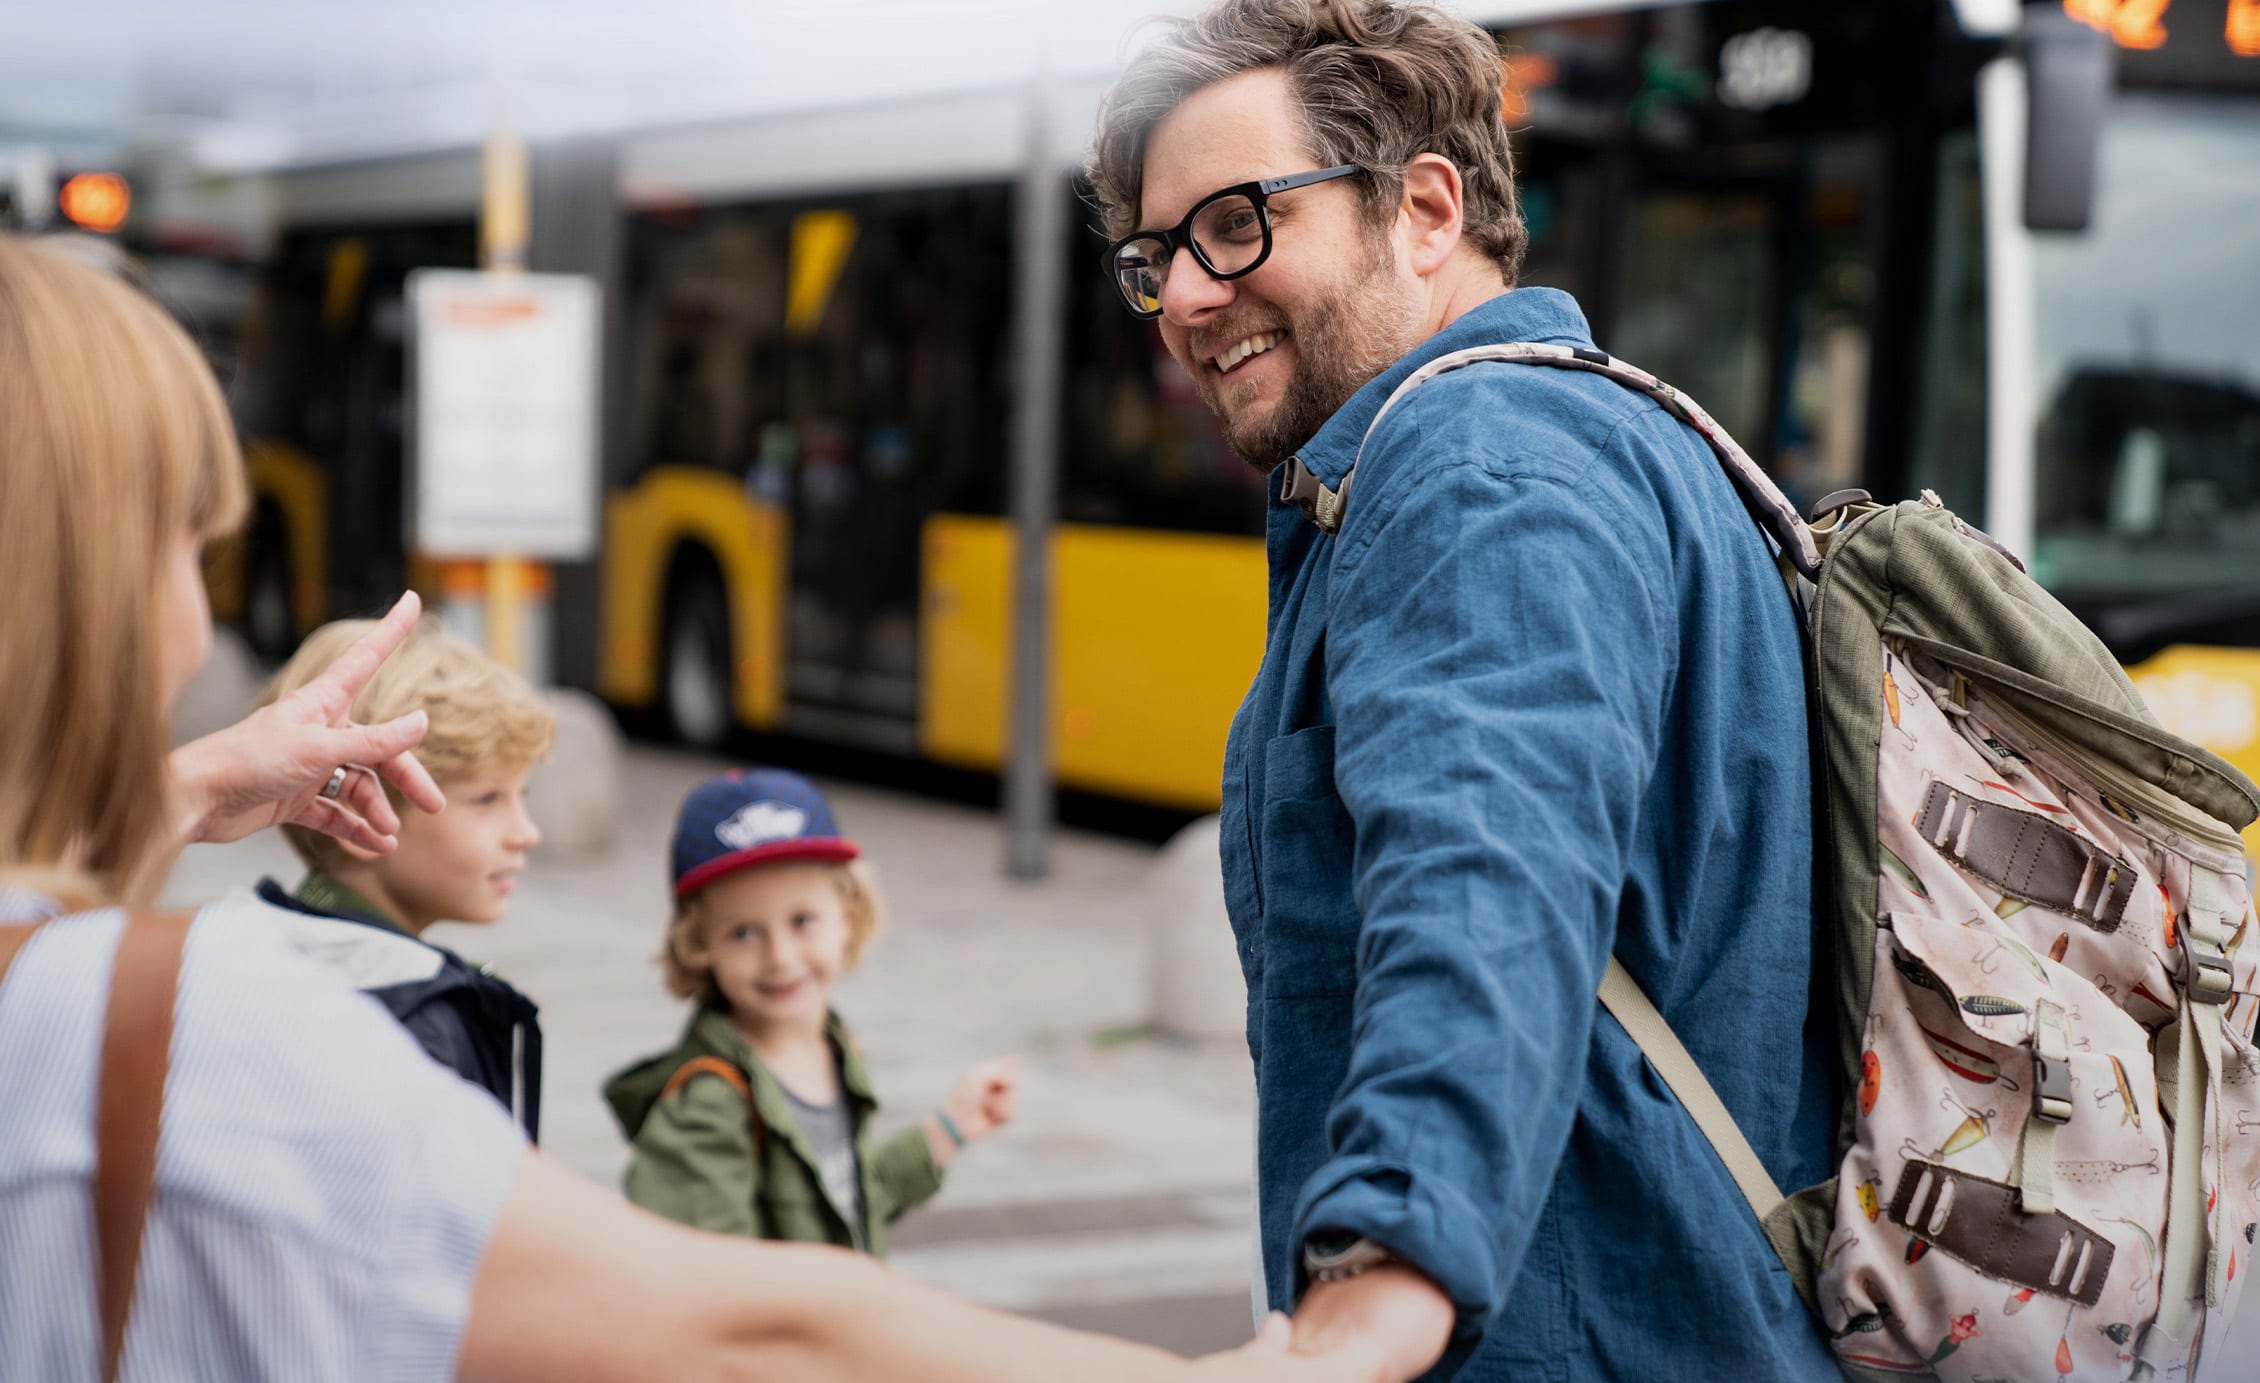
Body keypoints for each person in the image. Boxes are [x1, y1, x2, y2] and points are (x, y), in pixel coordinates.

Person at [0, 230, 1377, 1381]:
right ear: (85, 584)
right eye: (188, 545)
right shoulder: (188, 1026)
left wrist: (182, 786)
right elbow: (742, 1326)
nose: (197, 620)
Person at [1084, 2, 1838, 1378]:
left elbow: (1486, 877)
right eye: (1157, 256)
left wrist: (1385, 1274)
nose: (1187, 294)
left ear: (1425, 207)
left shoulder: (1479, 469)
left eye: (1238, 223)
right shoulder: (1585, 431)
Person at [607, 768, 1015, 1252]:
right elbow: (709, 1287)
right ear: (698, 945)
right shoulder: (709, 1106)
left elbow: (841, 1206)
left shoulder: (830, 1043)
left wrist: (948, 1130)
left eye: (802, 920)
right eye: (744, 932)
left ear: (848, 916)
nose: (780, 957)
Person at [253, 617, 554, 1139]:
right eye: (486, 799)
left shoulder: (262, 946)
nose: (525, 834)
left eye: (521, 797)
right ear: (359, 809)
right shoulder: (413, 1021)